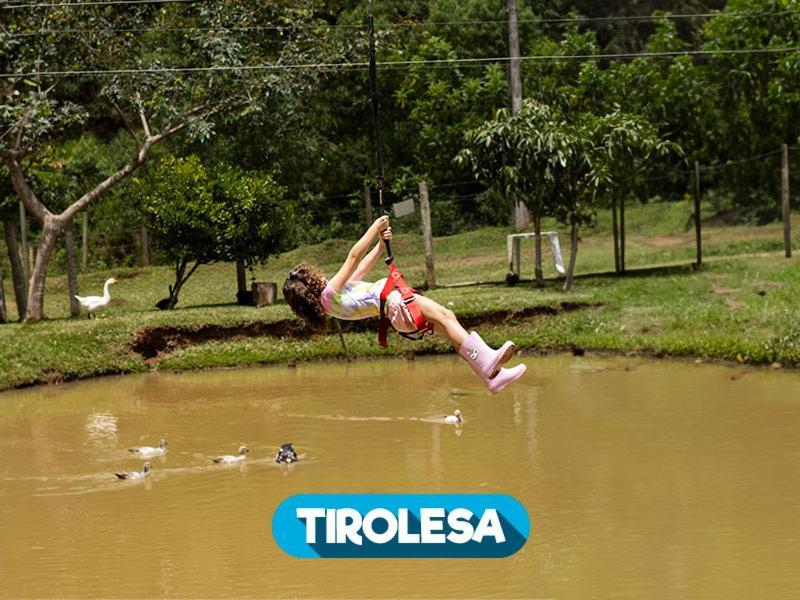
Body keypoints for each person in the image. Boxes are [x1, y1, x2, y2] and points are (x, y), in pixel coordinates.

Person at [282, 216, 526, 394]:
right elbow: (353, 257)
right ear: (311, 285)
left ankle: (491, 377)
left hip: (397, 312)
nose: (322, 275)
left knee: (447, 326)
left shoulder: (333, 300)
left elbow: (360, 268)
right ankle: (487, 362)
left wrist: (380, 244)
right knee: (446, 316)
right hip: (397, 304)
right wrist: (373, 228)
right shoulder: (327, 296)